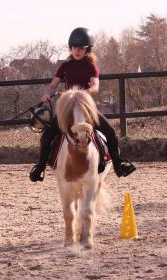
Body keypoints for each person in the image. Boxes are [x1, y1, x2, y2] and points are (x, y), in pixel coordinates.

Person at [30, 27, 136, 182]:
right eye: (74, 48)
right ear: (70, 48)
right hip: (68, 109)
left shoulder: (91, 67)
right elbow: (53, 85)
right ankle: (40, 167)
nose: (77, 51)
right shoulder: (65, 66)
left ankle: (118, 164)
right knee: (46, 136)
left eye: (81, 48)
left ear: (87, 50)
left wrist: (83, 93)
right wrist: (47, 93)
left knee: (111, 131)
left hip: (87, 108)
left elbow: (95, 87)